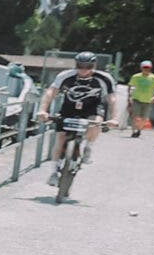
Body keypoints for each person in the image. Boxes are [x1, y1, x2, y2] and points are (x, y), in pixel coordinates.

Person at [41, 51, 113, 183]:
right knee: (60, 138)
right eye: (80, 66)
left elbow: (111, 98)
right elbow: (51, 92)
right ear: (76, 65)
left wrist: (114, 118)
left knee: (96, 123)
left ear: (94, 65)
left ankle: (88, 147)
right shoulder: (65, 76)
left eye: (88, 67)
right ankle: (53, 172)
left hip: (93, 107)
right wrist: (42, 110)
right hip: (69, 107)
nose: (84, 70)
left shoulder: (104, 78)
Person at [128, 60, 154, 135]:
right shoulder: (136, 76)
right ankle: (134, 131)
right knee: (135, 116)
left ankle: (139, 129)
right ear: (141, 68)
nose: (146, 69)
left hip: (148, 101)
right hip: (136, 99)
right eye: (144, 67)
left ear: (151, 68)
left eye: (148, 68)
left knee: (144, 118)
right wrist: (130, 96)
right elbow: (130, 86)